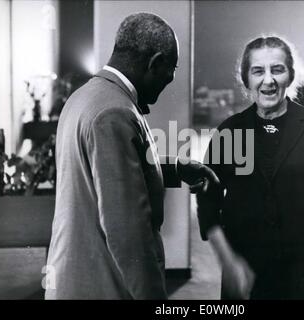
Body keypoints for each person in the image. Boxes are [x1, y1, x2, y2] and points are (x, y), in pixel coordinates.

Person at [45, 13, 218, 299]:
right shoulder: (115, 112)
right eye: (171, 69)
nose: (171, 79)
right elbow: (128, 234)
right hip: (101, 285)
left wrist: (176, 168)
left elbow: (104, 174)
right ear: (156, 62)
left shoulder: (85, 97)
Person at [197, 36, 304, 300]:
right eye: (258, 71)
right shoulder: (230, 131)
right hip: (248, 274)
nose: (268, 80)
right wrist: (228, 261)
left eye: (278, 69)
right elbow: (208, 201)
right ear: (246, 78)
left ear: (291, 75)